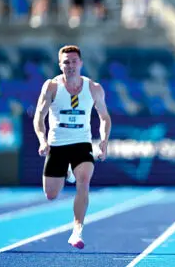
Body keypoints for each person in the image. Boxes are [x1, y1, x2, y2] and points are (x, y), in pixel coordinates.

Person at [33, 45, 111, 249]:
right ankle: (68, 172)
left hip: (81, 143)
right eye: (66, 62)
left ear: (81, 63)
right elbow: (39, 117)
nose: (70, 66)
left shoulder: (93, 88)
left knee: (84, 181)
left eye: (74, 61)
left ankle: (77, 231)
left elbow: (104, 118)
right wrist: (42, 140)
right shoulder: (51, 87)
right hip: (58, 144)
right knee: (51, 195)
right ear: (60, 65)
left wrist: (103, 142)